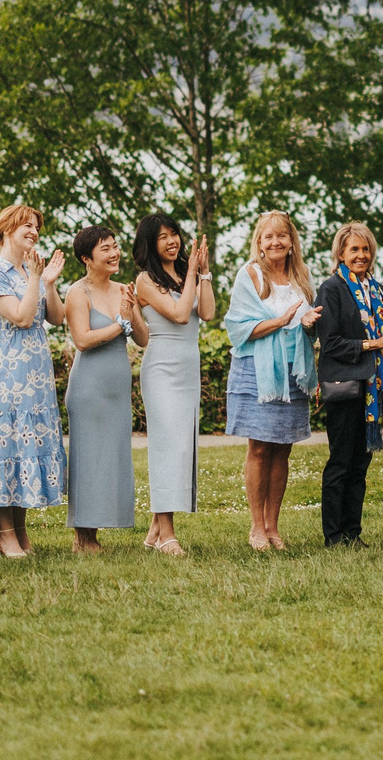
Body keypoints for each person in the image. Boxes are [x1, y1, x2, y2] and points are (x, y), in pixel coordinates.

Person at [0, 204, 70, 558]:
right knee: (8, 447)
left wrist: (49, 283)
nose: (34, 231)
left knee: (27, 447)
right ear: (7, 231)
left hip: (37, 371)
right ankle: (5, 534)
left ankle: (22, 531)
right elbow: (22, 317)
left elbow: (55, 318)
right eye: (26, 225)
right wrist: (35, 281)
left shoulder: (33, 269)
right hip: (9, 371)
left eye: (36, 226)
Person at [221, 211, 322, 551]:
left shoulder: (302, 276)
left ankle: (273, 526)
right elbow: (237, 328)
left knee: (283, 449)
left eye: (282, 236)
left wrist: (308, 322)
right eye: (269, 237)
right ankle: (255, 527)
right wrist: (282, 321)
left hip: (294, 370)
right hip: (258, 370)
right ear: (259, 243)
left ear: (292, 241)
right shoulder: (249, 274)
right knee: (260, 448)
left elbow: (305, 323)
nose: (276, 242)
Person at [316, 221, 383, 549]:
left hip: (371, 386)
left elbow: (379, 336)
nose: (361, 255)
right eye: (354, 249)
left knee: (360, 463)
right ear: (340, 253)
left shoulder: (376, 289)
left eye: (365, 249)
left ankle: (352, 533)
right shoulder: (332, 288)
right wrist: (374, 344)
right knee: (340, 461)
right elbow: (331, 343)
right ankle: (333, 536)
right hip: (345, 387)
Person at [131, 213, 213, 556]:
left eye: (175, 233)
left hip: (187, 368)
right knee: (167, 448)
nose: (172, 241)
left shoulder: (187, 274)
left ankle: (154, 530)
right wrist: (193, 271)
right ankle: (167, 534)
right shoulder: (144, 281)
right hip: (161, 367)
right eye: (163, 236)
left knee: (181, 448)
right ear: (150, 243)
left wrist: (203, 272)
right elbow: (179, 315)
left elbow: (205, 313)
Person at [64, 224, 147, 551]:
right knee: (88, 459)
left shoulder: (123, 289)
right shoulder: (76, 292)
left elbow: (142, 339)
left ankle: (95, 531)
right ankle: (83, 537)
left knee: (111, 458)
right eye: (105, 249)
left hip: (117, 389)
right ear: (87, 258)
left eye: (115, 246)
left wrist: (131, 314)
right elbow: (82, 340)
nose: (114, 254)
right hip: (89, 388)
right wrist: (119, 325)